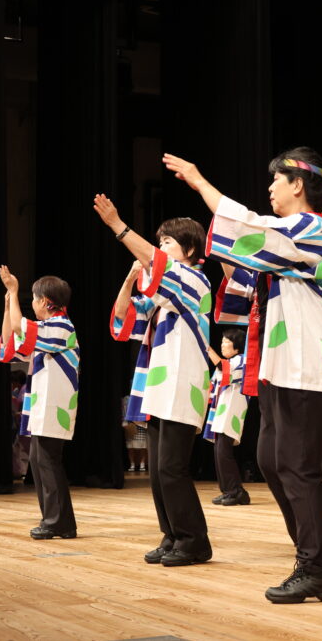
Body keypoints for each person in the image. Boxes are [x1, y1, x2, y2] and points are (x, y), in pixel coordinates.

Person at [163, 146, 322, 603]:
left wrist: (200, 182)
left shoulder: (312, 228)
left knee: (297, 467)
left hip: (307, 366)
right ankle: (319, 554)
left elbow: (251, 231)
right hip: (284, 366)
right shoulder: (287, 242)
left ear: (298, 184)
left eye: (277, 179)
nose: (270, 187)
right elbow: (246, 262)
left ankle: (318, 567)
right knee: (274, 461)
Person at [97, 193, 213, 568]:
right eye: (159, 241)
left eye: (168, 242)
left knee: (172, 468)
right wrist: (131, 279)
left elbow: (156, 263)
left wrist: (118, 225)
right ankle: (172, 535)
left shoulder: (195, 281)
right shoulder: (163, 299)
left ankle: (194, 541)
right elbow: (123, 319)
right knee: (158, 472)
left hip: (182, 383)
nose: (160, 247)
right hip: (160, 386)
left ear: (190, 249)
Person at [0, 269, 81, 540]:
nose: (32, 304)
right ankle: (56, 520)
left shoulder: (61, 326)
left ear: (44, 301)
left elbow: (20, 327)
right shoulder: (46, 329)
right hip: (44, 403)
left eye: (33, 299)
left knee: (48, 461)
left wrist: (13, 292)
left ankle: (58, 522)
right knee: (39, 460)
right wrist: (8, 306)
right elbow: (10, 344)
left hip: (55, 404)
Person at [203, 327, 250, 506]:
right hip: (222, 410)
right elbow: (212, 385)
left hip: (233, 409)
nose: (222, 345)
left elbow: (224, 369)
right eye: (222, 341)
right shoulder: (229, 362)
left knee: (224, 451)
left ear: (236, 345)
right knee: (219, 451)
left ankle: (237, 491)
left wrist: (208, 350)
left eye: (226, 342)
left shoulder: (241, 359)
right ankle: (228, 490)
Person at [9, 370, 31, 480]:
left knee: (23, 448)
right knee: (20, 447)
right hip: (22, 423)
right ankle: (21, 471)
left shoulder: (24, 389)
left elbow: (23, 408)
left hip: (24, 423)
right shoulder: (21, 390)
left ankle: (24, 472)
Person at [122, 395, 148, 472]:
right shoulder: (126, 399)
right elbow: (124, 411)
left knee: (143, 446)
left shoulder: (144, 397)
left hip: (142, 423)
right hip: (130, 424)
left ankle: (142, 464)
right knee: (130, 447)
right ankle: (132, 464)